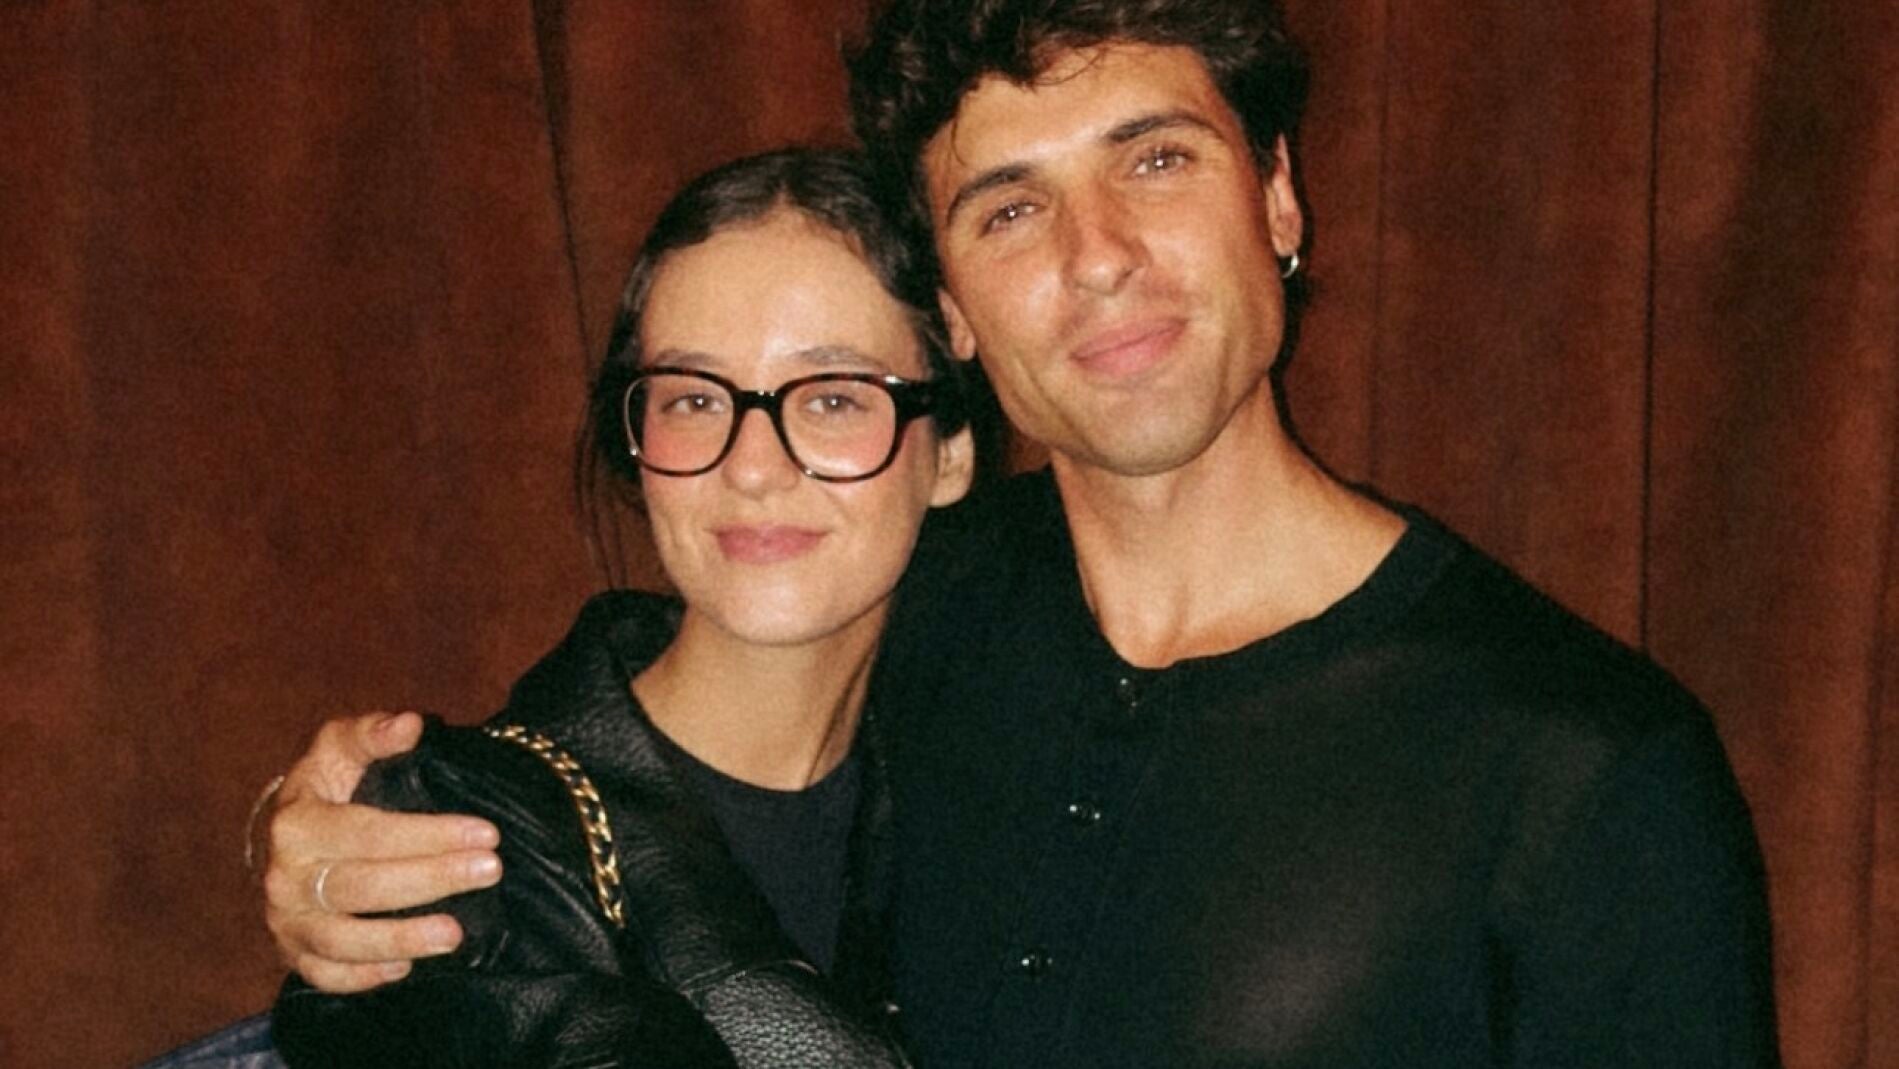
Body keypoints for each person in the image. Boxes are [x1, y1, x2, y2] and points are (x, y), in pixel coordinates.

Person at [257, 1, 1783, 1064]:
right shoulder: (902, 597)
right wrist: (347, 833)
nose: (1096, 256)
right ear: (956, 317)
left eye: (1154, 159)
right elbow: (636, 759)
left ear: (1278, 197)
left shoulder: (1585, 769)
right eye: (1006, 207)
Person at [267, 147, 975, 1067]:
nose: (752, 466)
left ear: (950, 452)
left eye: (834, 398)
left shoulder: (989, 772)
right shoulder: (460, 852)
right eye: (692, 399)